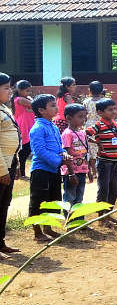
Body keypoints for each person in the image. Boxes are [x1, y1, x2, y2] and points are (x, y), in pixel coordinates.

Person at [28, 94, 66, 243]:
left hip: (54, 170)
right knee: (38, 200)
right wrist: (58, 160)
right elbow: (40, 151)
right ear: (41, 110)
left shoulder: (54, 126)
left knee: (53, 199)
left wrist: (64, 154)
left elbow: (59, 146)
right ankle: (37, 231)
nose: (56, 108)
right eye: (52, 105)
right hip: (41, 171)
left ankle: (48, 228)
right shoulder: (37, 128)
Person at [87, 99, 117, 218]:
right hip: (104, 162)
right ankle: (101, 215)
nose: (114, 112)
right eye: (110, 110)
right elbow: (84, 134)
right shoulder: (99, 125)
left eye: (114, 109)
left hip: (115, 162)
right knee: (104, 189)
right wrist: (96, 142)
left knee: (114, 189)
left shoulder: (116, 125)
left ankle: (109, 213)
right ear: (100, 112)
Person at [0, 73, 23, 257]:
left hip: (10, 161)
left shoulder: (4, 108)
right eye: (6, 88)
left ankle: (1, 242)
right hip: (1, 166)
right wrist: (2, 170)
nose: (10, 91)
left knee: (4, 204)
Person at [60, 104, 92, 207]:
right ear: (69, 118)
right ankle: (69, 222)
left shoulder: (82, 132)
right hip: (72, 173)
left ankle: (79, 221)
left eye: (84, 116)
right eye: (80, 116)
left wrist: (89, 170)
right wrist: (71, 174)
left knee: (79, 199)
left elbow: (85, 153)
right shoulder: (67, 134)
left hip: (82, 171)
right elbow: (66, 154)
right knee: (70, 198)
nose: (84, 119)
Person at [13, 80, 34, 178]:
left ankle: (20, 172)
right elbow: (36, 105)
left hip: (29, 125)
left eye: (30, 91)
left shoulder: (25, 99)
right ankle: (21, 172)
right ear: (20, 90)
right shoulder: (19, 99)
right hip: (24, 126)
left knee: (26, 150)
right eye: (27, 91)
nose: (29, 93)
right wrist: (31, 107)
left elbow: (33, 106)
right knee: (24, 151)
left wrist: (30, 108)